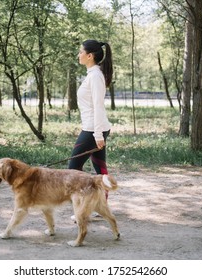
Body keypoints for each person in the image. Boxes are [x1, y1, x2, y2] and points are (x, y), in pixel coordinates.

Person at [68, 39, 113, 220]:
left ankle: (82, 211)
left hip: (93, 130)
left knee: (73, 168)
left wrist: (98, 134)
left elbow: (98, 106)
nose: (78, 55)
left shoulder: (95, 76)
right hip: (95, 128)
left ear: (90, 55)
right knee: (100, 168)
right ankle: (101, 206)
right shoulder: (92, 74)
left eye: (80, 52)